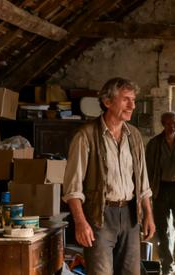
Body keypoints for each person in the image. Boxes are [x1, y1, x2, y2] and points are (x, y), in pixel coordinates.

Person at [62, 77, 156, 275]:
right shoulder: (85, 136)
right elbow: (73, 189)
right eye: (125, 99)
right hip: (99, 216)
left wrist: (148, 214)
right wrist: (80, 222)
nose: (132, 105)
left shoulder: (135, 136)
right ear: (107, 102)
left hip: (130, 215)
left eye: (133, 100)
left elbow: (143, 182)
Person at [145, 112, 175, 274]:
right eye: (168, 123)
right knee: (162, 227)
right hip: (160, 188)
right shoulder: (154, 143)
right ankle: (166, 262)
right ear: (162, 124)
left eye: (174, 123)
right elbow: (147, 169)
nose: (171, 126)